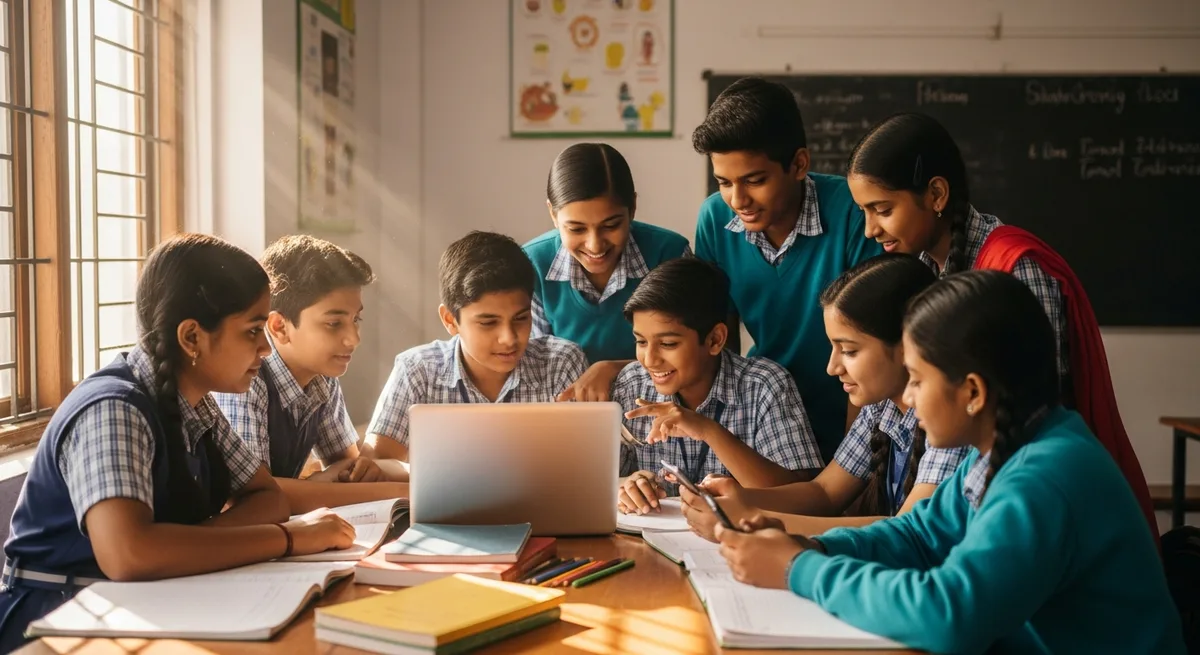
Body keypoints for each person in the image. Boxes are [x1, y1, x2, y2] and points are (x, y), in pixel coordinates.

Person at [715, 271, 1184, 655]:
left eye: (917, 380)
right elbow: (919, 535)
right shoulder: (1007, 449)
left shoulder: (1046, 476)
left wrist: (797, 568)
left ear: (974, 393)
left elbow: (949, 615)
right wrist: (812, 548)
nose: (910, 398)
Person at [0, 235, 354, 652]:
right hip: (58, 623)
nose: (265, 348)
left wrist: (183, 545)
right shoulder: (114, 408)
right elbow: (129, 555)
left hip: (152, 605)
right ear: (192, 338)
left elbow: (268, 497)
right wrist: (289, 538)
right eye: (254, 331)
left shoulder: (195, 404)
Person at [846, 111, 1155, 538]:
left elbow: (1036, 415)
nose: (868, 230)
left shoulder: (1014, 269)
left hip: (1035, 509)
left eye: (882, 210)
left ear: (936, 194)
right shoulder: (921, 270)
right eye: (864, 211)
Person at [680, 254, 968, 539]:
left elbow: (909, 532)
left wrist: (753, 519)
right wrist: (739, 498)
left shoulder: (953, 422)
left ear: (909, 345)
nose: (832, 367)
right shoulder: (881, 408)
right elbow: (824, 493)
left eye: (850, 351)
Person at [692, 77, 882, 461]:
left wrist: (851, 471)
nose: (738, 200)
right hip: (766, 429)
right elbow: (719, 348)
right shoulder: (714, 219)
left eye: (755, 181)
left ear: (799, 164)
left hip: (858, 426)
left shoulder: (855, 213)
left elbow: (871, 351)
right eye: (724, 182)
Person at [214, 236, 409, 514]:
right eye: (333, 324)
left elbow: (348, 470)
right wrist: (401, 493)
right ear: (279, 326)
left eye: (356, 320)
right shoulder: (247, 378)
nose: (353, 339)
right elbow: (257, 496)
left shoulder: (321, 378)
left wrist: (345, 475)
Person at [611, 258, 822, 515]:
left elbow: (801, 500)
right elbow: (607, 480)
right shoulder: (632, 383)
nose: (650, 360)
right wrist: (634, 483)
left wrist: (709, 431)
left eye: (667, 344)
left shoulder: (764, 384)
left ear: (715, 339)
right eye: (641, 342)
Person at [366, 231, 587, 461]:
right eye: (488, 323)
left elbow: (589, 465)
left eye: (521, 318)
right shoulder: (417, 370)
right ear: (450, 320)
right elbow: (376, 466)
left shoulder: (561, 363)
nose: (509, 338)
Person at [524, 143, 689, 402]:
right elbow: (535, 365)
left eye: (611, 225)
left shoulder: (669, 253)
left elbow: (690, 358)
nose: (595, 245)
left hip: (659, 409)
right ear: (553, 215)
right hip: (569, 413)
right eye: (576, 229)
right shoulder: (532, 264)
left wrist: (612, 369)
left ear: (632, 208)